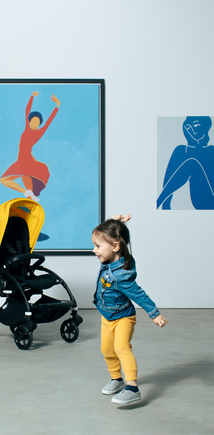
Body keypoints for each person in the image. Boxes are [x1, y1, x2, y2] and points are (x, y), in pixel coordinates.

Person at [91, 215, 168, 405]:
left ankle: (132, 388)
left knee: (121, 348)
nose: (94, 250)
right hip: (107, 316)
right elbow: (113, 237)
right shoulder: (113, 259)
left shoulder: (122, 275)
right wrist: (115, 222)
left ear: (116, 247)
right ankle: (116, 379)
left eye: (98, 246)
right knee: (106, 349)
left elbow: (139, 295)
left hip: (123, 318)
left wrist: (155, 314)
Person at [0, 91, 60, 202]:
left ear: (39, 124)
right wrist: (32, 96)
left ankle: (29, 195)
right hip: (23, 159)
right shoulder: (27, 128)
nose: (35, 123)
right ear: (29, 121)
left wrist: (57, 106)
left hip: (25, 159)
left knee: (6, 179)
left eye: (37, 122)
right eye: (33, 121)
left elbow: (49, 121)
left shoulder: (39, 132)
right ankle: (28, 194)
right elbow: (27, 110)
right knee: (13, 179)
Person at [157, 116, 214, 210]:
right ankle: (163, 201)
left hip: (210, 199)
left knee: (192, 164)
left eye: (196, 125)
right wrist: (166, 206)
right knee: (191, 163)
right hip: (198, 200)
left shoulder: (211, 150)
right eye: (188, 126)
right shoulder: (182, 150)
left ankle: (159, 201)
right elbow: (169, 179)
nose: (190, 129)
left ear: (206, 127)